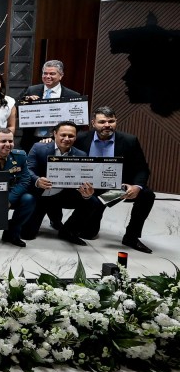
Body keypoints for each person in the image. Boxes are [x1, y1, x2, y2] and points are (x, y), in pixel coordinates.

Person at [75, 106, 155, 253]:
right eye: (102, 122)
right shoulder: (80, 138)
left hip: (116, 189)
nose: (107, 125)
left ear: (116, 121)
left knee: (147, 194)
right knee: (88, 233)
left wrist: (136, 186)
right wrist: (46, 140)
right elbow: (61, 146)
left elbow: (142, 168)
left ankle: (131, 237)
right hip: (89, 190)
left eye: (111, 121)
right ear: (93, 123)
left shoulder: (129, 140)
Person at [23, 121, 97, 245]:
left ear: (75, 137)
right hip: (41, 195)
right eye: (63, 135)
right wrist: (37, 180)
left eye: (71, 136)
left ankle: (68, 231)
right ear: (55, 134)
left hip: (63, 194)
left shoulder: (81, 154)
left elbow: (82, 179)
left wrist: (86, 193)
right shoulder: (38, 147)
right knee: (27, 235)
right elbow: (28, 170)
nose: (67, 139)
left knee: (92, 200)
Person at [17, 59, 81, 152]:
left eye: (52, 74)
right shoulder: (32, 90)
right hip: (31, 141)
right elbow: (18, 112)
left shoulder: (73, 95)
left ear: (61, 75)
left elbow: (78, 122)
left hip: (59, 142)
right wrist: (26, 102)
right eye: (45, 73)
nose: (47, 76)